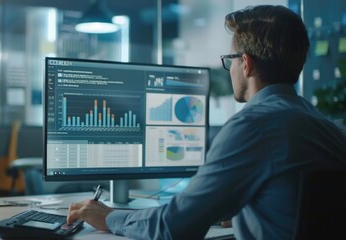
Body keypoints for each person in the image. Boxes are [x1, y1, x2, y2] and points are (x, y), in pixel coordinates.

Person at [67, 5, 346, 240]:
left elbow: (174, 226)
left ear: (246, 63)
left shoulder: (253, 127)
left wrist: (109, 217)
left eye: (231, 59)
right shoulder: (324, 126)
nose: (231, 67)